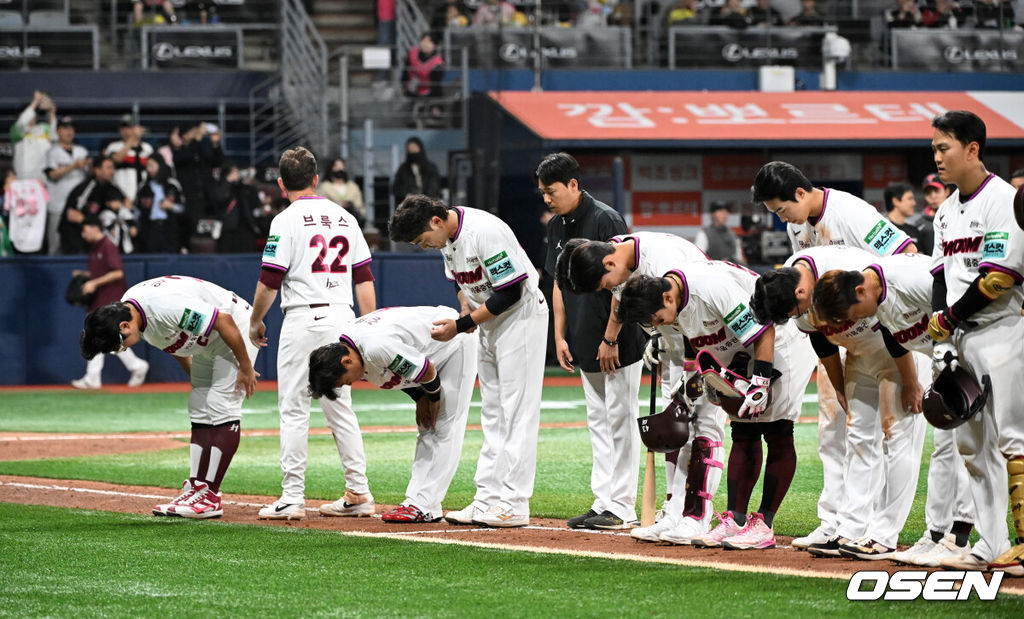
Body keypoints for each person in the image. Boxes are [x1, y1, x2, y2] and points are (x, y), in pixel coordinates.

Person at [751, 160, 917, 553]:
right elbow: (800, 293)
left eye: (781, 209)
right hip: (840, 337)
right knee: (838, 430)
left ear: (801, 193)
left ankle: (882, 531)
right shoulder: (797, 231)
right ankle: (840, 522)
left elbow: (907, 253)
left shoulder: (850, 213)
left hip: (886, 329)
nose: (782, 219)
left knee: (895, 435)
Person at [617, 262, 816, 550]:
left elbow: (763, 331)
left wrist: (760, 383)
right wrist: (689, 381)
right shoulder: (673, 298)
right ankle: (735, 520)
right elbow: (692, 341)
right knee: (743, 430)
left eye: (658, 320)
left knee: (777, 430)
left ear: (667, 299)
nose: (659, 325)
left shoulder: (710, 289)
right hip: (741, 350)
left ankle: (763, 525)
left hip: (779, 342)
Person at [554, 231, 727, 545]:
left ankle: (697, 516)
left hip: (708, 344)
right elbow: (621, 299)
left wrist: (686, 363)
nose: (610, 290)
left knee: (703, 425)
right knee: (672, 428)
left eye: (605, 284)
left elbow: (696, 315)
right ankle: (674, 512)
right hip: (674, 342)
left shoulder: (664, 262)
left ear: (609, 262)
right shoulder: (618, 251)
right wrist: (657, 340)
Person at [389, 194, 548, 528]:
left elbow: (512, 291)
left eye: (422, 240)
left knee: (517, 411)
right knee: (492, 412)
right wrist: (466, 312)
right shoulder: (447, 237)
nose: (424, 246)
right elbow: (460, 284)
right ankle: (487, 498)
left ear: (435, 221)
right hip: (489, 322)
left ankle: (515, 502)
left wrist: (463, 324)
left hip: (521, 318)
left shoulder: (483, 230)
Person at [810, 252, 976, 568]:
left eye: (851, 315)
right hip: (944, 360)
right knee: (945, 447)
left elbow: (958, 303)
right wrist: (914, 380)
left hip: (968, 354)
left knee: (971, 447)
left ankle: (962, 537)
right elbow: (893, 336)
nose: (852, 323)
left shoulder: (909, 277)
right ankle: (937, 535)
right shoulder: (876, 299)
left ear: (860, 292)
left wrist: (960, 362)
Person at [249, 147, 377, 521]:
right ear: (316, 179)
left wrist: (256, 320)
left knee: (293, 408)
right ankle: (359, 492)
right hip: (341, 316)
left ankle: (292, 496)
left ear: (280, 184)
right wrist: (368, 327)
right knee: (340, 408)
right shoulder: (344, 216)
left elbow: (270, 280)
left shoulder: (285, 220)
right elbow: (364, 278)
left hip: (303, 318)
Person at [926, 110, 1024, 575]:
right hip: (962, 339)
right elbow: (940, 276)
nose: (937, 157)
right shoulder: (945, 211)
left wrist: (949, 318)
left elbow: (998, 278)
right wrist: (942, 332)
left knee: (1013, 439)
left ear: (972, 149)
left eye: (944, 148)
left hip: (1003, 331)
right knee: (972, 446)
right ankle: (992, 540)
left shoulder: (1003, 200)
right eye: (934, 149)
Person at [79, 274, 258, 518]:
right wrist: (196, 381)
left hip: (233, 326)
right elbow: (173, 343)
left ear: (124, 326)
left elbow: (223, 320)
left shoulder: (163, 307)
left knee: (221, 405)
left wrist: (245, 366)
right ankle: (197, 487)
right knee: (198, 403)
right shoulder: (135, 313)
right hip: (208, 338)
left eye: (117, 345)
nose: (121, 349)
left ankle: (211, 495)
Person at [538, 153, 646, 530]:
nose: (547, 199)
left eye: (551, 191)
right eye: (542, 193)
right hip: (583, 335)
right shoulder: (556, 226)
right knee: (599, 421)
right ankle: (604, 500)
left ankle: (623, 506)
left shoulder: (606, 218)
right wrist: (559, 334)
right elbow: (556, 281)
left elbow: (625, 278)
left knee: (620, 418)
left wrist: (611, 338)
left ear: (572, 184)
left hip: (616, 336)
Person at [307, 305, 479, 523]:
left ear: (346, 361)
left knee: (443, 424)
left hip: (455, 342)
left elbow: (425, 370)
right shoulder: (352, 350)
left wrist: (432, 397)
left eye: (344, 380)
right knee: (427, 426)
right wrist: (420, 397)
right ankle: (418, 502)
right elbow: (398, 373)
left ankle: (424, 504)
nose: (348, 384)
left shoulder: (374, 347)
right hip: (429, 352)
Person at [71, 217, 150, 390]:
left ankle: (95, 377)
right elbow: (102, 272)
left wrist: (93, 283)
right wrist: (86, 276)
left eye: (85, 230)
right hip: (100, 299)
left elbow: (117, 273)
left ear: (94, 227)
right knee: (103, 336)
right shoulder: (95, 248)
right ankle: (133, 366)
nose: (83, 235)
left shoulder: (107, 245)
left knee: (99, 334)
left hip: (109, 299)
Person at [59, 157, 127, 255]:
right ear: (97, 171)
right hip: (75, 236)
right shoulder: (86, 188)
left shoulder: (112, 188)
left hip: (97, 238)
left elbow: (126, 204)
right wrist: (94, 225)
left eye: (113, 168)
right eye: (108, 168)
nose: (112, 171)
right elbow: (72, 215)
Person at [43, 117, 90, 255]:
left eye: (71, 128)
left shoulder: (81, 151)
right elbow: (52, 175)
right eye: (65, 128)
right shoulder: (52, 152)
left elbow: (90, 175)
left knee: (79, 244)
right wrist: (73, 166)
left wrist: (89, 165)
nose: (69, 132)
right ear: (58, 131)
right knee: (55, 245)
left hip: (78, 206)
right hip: (58, 204)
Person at [207, 161, 262, 254]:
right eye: (234, 172)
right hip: (228, 230)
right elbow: (218, 198)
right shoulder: (218, 186)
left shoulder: (244, 188)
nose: (237, 174)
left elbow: (255, 203)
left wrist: (249, 183)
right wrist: (228, 181)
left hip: (246, 229)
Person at [136, 153, 183, 253]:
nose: (149, 169)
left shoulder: (172, 185)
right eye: (147, 166)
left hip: (169, 228)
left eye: (152, 165)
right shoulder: (144, 187)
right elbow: (137, 210)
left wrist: (171, 206)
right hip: (150, 229)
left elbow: (183, 208)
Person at [104, 113, 153, 205]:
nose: (126, 130)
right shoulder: (114, 147)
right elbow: (118, 159)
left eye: (130, 127)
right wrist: (132, 140)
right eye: (123, 128)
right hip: (121, 197)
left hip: (143, 198)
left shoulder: (147, 148)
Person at [10, 91, 56, 183]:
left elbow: (54, 138)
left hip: (43, 178)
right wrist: (35, 101)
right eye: (24, 113)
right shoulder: (16, 129)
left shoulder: (44, 128)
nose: (31, 115)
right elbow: (23, 122)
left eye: (33, 112)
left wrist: (52, 112)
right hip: (24, 178)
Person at [884, 181, 933, 256]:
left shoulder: (914, 230)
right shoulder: (883, 230)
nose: (914, 203)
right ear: (896, 201)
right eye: (910, 199)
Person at [319, 158, 366, 229]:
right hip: (332, 224)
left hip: (351, 223)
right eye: (336, 166)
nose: (340, 169)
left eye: (342, 166)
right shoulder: (324, 187)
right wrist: (340, 204)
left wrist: (350, 205)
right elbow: (321, 206)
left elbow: (359, 205)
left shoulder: (353, 187)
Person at [392, 137, 442, 204]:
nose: (413, 151)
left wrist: (424, 198)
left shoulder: (431, 168)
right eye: (410, 149)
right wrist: (409, 195)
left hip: (429, 204)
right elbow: (396, 188)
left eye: (415, 148)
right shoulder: (403, 169)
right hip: (409, 205)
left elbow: (434, 187)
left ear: (420, 148)